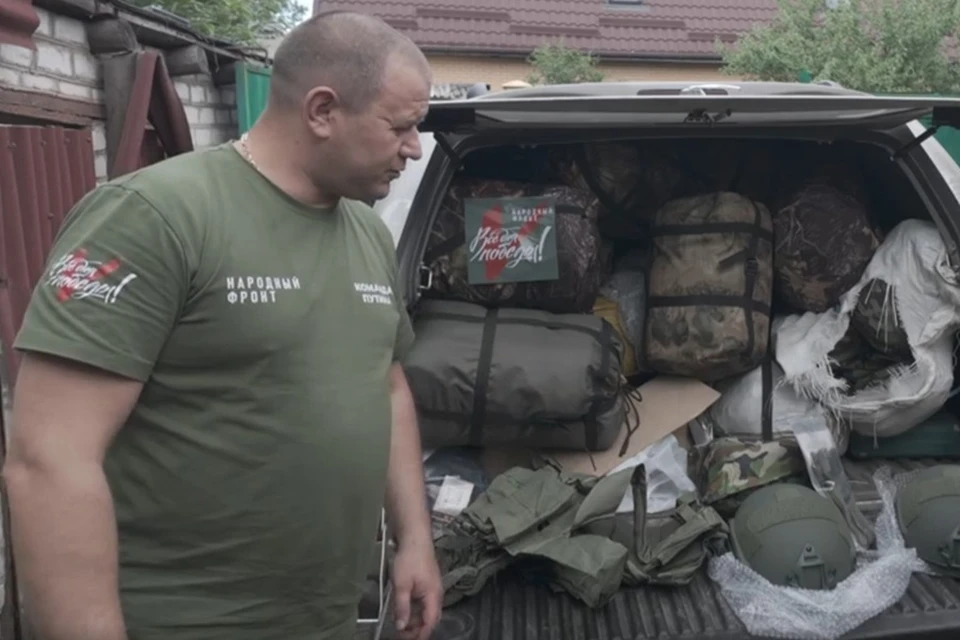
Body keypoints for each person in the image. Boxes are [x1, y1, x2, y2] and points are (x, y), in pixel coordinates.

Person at [3, 10, 442, 640]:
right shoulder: (153, 218)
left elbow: (388, 385)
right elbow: (49, 461)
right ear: (322, 111)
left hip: (326, 618)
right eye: (401, 126)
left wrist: (414, 540)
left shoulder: (367, 233)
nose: (415, 147)